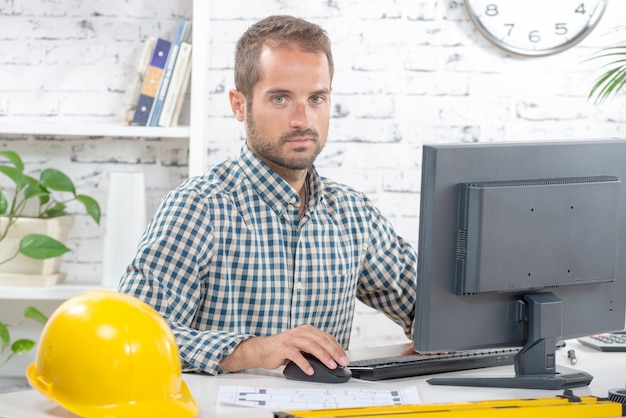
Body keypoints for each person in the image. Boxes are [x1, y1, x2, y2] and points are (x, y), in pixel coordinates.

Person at [118, 15, 418, 377]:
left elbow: (427, 306)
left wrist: (443, 335)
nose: (302, 119)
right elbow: (134, 336)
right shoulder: (198, 207)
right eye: (280, 99)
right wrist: (253, 350)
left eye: (316, 98)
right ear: (239, 105)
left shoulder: (354, 214)